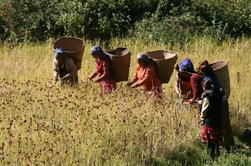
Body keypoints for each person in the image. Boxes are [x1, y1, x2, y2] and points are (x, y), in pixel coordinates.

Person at [198, 60, 234, 150]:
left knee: (213, 132)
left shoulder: (207, 80)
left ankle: (221, 147)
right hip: (221, 101)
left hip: (214, 104)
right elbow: (223, 94)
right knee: (223, 124)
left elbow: (205, 107)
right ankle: (226, 145)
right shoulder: (213, 76)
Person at [200, 78, 222, 161]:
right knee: (216, 140)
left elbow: (204, 110)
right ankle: (217, 156)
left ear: (204, 87)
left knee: (209, 142)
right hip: (217, 121)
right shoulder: (218, 94)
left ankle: (211, 158)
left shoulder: (206, 96)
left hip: (209, 122)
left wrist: (202, 119)